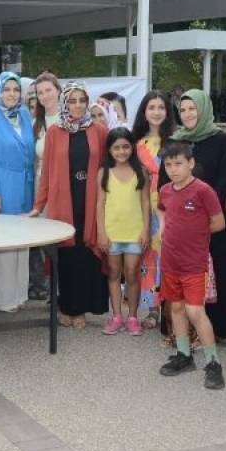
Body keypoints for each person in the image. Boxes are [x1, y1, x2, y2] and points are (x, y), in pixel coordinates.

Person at [161, 90, 226, 342]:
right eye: (183, 109)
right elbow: (164, 183)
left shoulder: (222, 140)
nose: (187, 114)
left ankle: (217, 331)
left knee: (216, 272)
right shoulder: (175, 141)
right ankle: (182, 332)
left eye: (192, 108)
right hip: (181, 224)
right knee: (182, 278)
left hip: (211, 218)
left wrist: (201, 207)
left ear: (204, 109)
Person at [30, 81, 109, 327]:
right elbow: (47, 172)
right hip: (63, 200)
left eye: (82, 100)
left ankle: (81, 310)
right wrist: (38, 205)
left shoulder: (99, 130)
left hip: (91, 199)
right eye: (72, 100)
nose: (77, 105)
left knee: (87, 254)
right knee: (66, 255)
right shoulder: (55, 131)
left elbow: (108, 167)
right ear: (65, 102)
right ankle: (67, 307)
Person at [157, 141, 226, 390]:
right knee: (176, 308)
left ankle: (213, 363)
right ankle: (184, 355)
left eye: (178, 164)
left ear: (191, 163)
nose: (173, 169)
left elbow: (218, 223)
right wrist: (163, 227)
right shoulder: (165, 190)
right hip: (170, 261)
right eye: (168, 165)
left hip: (194, 263)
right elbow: (161, 209)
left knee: (195, 311)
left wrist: (195, 234)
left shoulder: (203, 191)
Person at [0, 72, 35, 313]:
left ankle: (20, 294)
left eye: (16, 89)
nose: (11, 94)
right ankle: (3, 298)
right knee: (5, 243)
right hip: (4, 184)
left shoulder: (24, 114)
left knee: (23, 243)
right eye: (7, 89)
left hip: (26, 185)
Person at [96, 128, 149, 336]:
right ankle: (117, 316)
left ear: (132, 148)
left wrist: (145, 230)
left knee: (132, 273)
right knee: (114, 273)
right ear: (109, 150)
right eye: (116, 147)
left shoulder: (141, 171)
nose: (121, 151)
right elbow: (100, 204)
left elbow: (145, 203)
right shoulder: (104, 173)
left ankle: (133, 317)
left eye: (126, 147)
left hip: (135, 233)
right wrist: (101, 232)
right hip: (112, 234)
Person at [132, 91, 174, 330]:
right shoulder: (136, 143)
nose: (156, 112)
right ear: (144, 112)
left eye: (161, 107)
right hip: (143, 205)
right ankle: (151, 309)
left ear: (167, 111)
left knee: (167, 253)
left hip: (170, 206)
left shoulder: (176, 140)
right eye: (151, 107)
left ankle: (169, 307)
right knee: (148, 256)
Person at [29, 72, 62, 302]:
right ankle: (47, 286)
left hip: (64, 186)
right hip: (41, 186)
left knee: (62, 237)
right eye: (40, 92)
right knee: (44, 239)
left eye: (48, 90)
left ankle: (63, 288)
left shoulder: (69, 119)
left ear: (58, 91)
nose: (44, 96)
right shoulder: (36, 124)